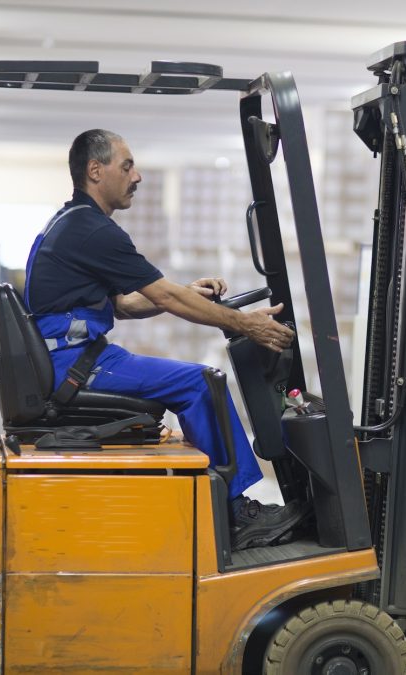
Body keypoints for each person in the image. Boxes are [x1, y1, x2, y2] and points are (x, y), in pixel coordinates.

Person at [24, 128, 304, 550]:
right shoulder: (93, 230)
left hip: (73, 358)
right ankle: (235, 512)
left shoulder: (73, 222)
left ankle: (227, 501)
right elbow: (163, 296)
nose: (136, 176)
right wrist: (246, 325)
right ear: (95, 171)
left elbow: (127, 304)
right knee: (200, 383)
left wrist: (188, 294)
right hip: (76, 366)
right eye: (127, 165)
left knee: (195, 379)